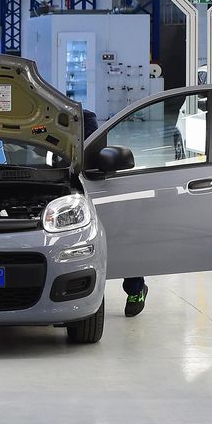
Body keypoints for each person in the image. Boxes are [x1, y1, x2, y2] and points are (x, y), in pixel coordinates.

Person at [82, 107, 148, 318]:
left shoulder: (84, 117)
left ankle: (136, 289)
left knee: (119, 238)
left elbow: (94, 153)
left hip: (95, 186)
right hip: (62, 191)